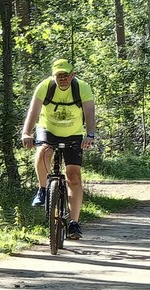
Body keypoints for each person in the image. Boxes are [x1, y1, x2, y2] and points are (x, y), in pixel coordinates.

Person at [20, 58, 96, 240]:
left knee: (74, 176)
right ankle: (43, 189)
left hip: (74, 133)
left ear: (72, 75)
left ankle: (74, 223)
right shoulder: (45, 87)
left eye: (66, 75)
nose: (63, 78)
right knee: (43, 151)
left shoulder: (82, 88)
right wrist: (26, 133)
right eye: (58, 75)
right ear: (53, 76)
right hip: (48, 129)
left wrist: (90, 135)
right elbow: (34, 111)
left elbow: (90, 112)